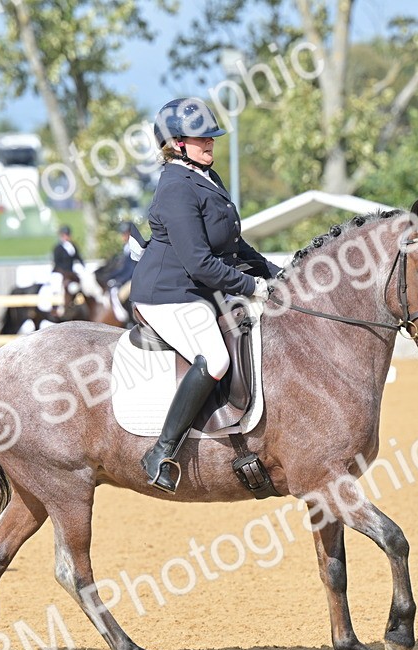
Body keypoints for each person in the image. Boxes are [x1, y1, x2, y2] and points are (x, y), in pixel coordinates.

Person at [130, 97, 276, 493]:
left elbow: (233, 243)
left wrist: (276, 272)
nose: (211, 143)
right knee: (214, 358)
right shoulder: (176, 187)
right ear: (176, 143)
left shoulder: (207, 177)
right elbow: (198, 262)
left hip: (199, 287)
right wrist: (251, 286)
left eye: (212, 137)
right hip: (168, 293)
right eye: (201, 138)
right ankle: (160, 451)